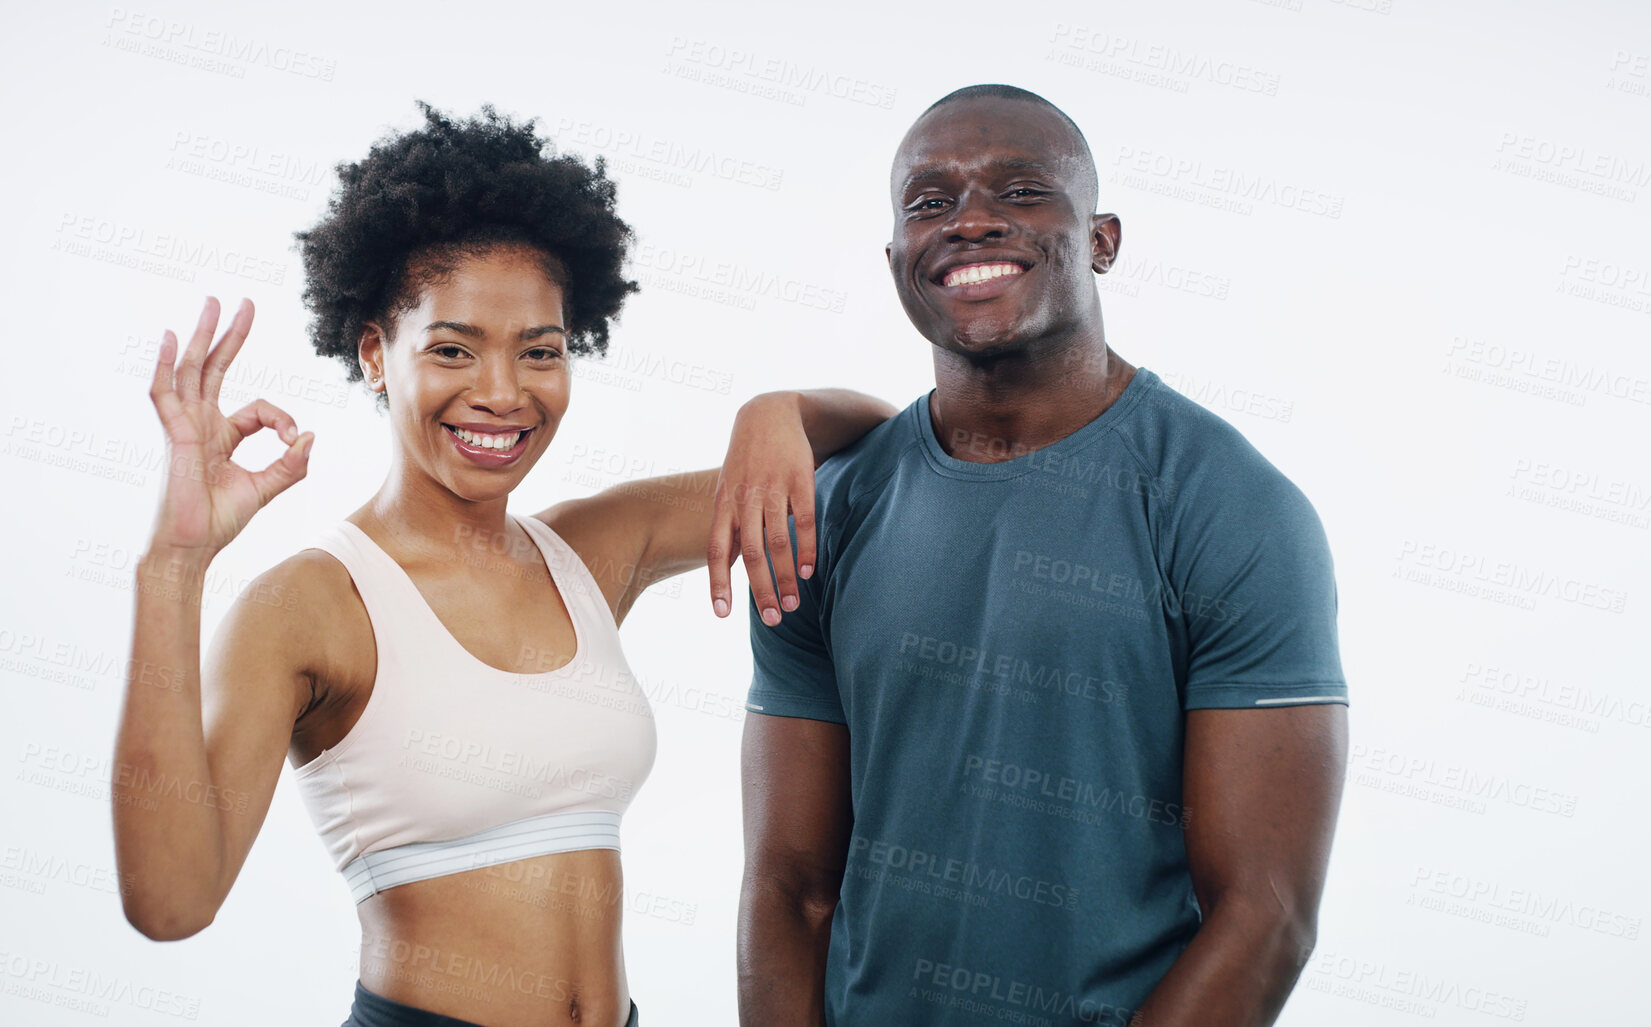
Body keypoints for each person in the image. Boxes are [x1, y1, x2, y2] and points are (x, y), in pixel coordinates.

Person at [108, 103, 896, 1027]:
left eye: (539, 353)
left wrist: (777, 409)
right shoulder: (311, 604)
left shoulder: (591, 549)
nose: (500, 393)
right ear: (375, 353)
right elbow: (171, 904)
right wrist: (171, 566)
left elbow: (877, 445)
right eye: (452, 349)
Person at [734, 84, 1350, 1027]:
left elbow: (1264, 914)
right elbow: (789, 885)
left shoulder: (1228, 504)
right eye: (929, 202)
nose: (969, 220)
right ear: (895, 259)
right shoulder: (828, 511)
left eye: (1020, 191)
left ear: (1102, 240)